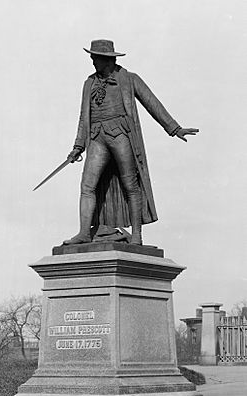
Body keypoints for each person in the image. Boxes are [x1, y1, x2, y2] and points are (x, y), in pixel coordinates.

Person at [64, 40, 199, 245]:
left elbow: (152, 103)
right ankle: (84, 232)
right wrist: (77, 146)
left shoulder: (129, 79)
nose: (92, 61)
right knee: (87, 185)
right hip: (97, 137)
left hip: (121, 134)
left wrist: (174, 128)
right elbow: (84, 117)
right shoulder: (89, 83)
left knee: (131, 185)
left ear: (108, 59)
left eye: (95, 58)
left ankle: (136, 235)